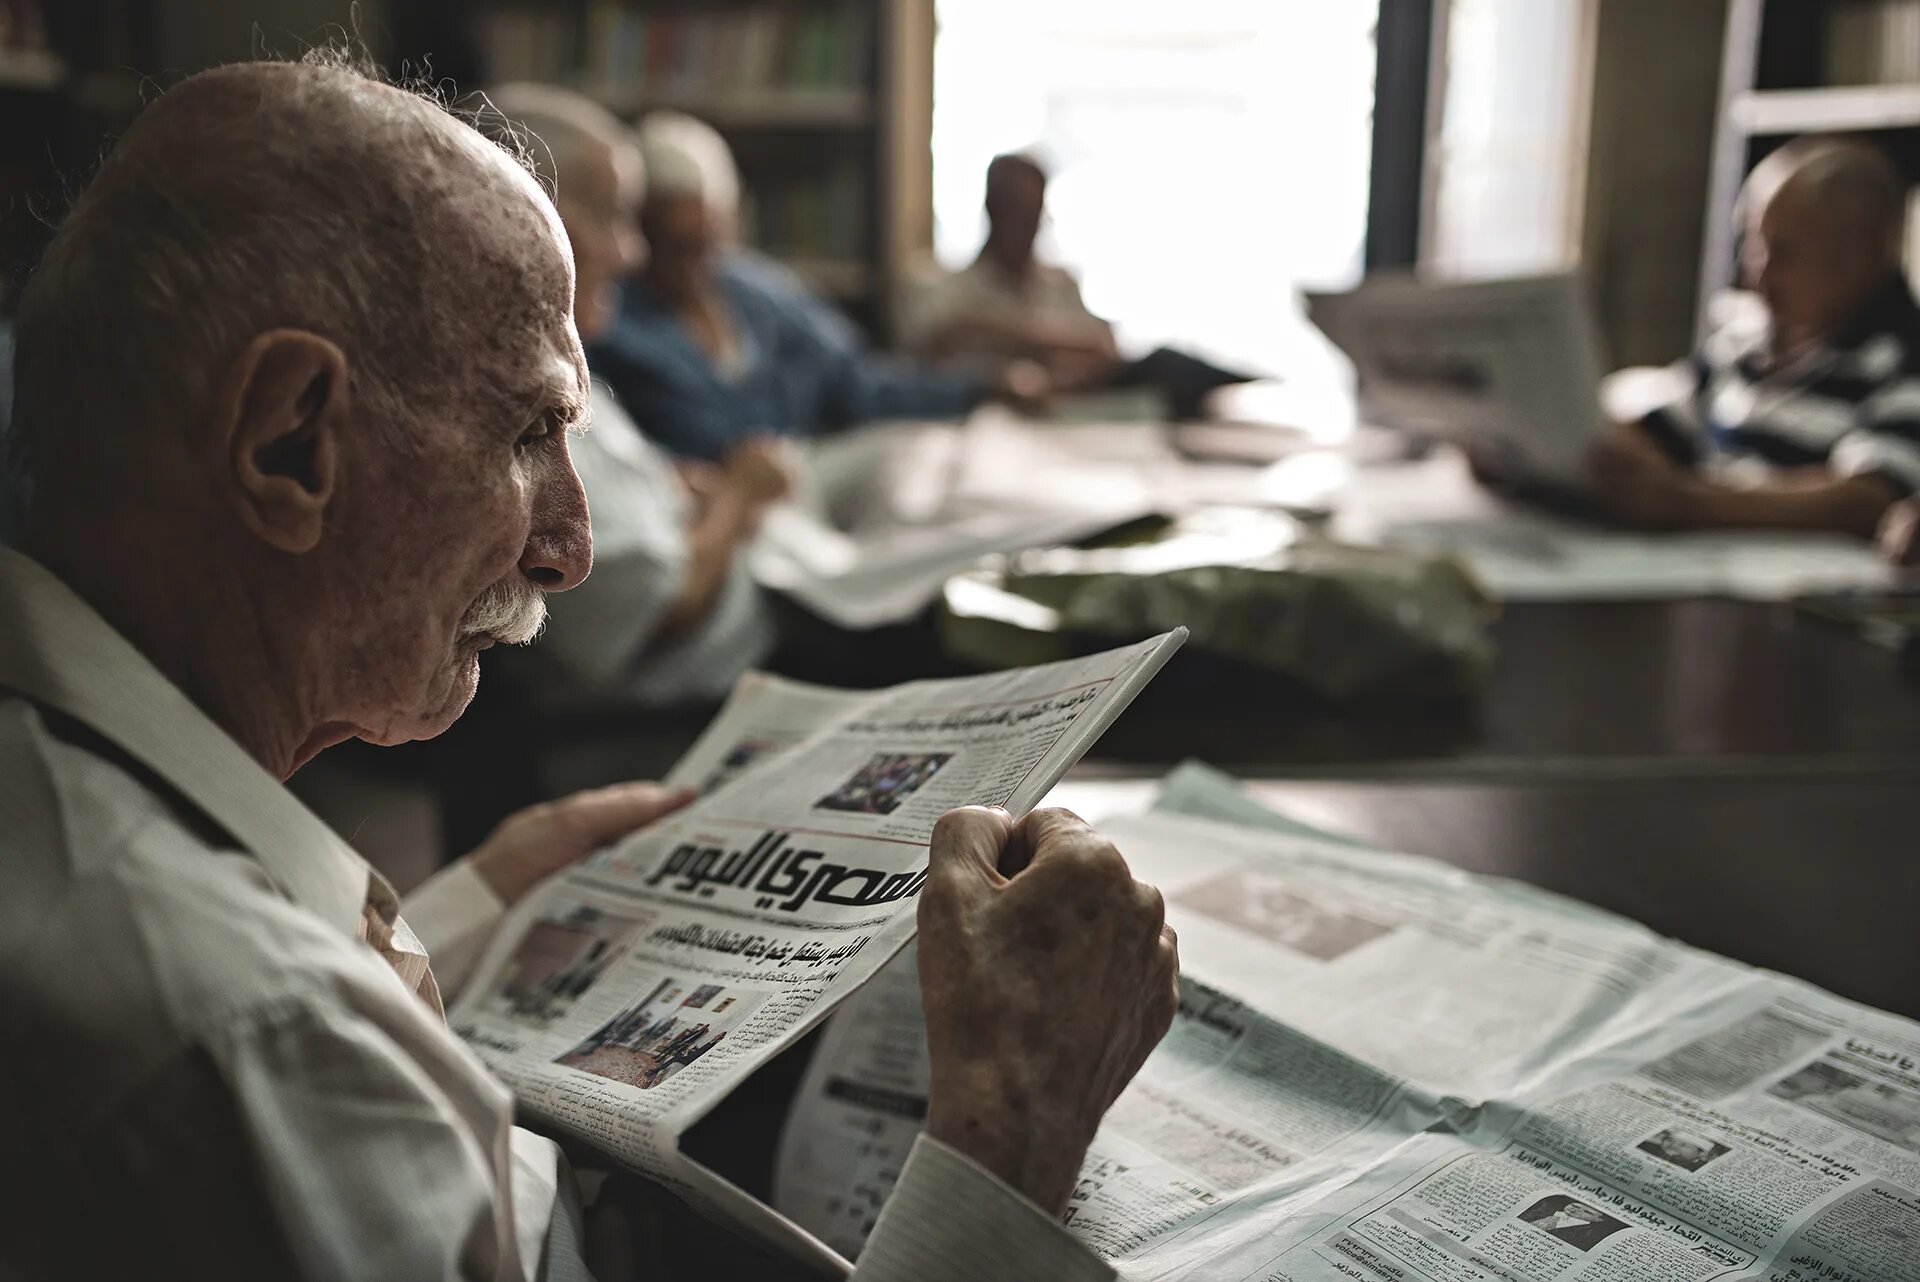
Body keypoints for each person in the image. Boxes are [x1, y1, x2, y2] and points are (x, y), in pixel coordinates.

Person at [0, 54, 1178, 1281]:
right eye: (528, 431)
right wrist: (1006, 1144)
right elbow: (274, 1051)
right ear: (291, 440)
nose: (571, 547)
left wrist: (477, 902)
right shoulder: (245, 1044)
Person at [484, 84, 785, 709]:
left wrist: (679, 485)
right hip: (704, 695)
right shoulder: (526, 408)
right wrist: (736, 494)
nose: (633, 253)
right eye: (613, 215)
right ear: (521, 216)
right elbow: (658, 608)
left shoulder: (566, 366)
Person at [589, 111, 1047, 463]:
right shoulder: (608, 324)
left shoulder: (762, 296)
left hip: (820, 489)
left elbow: (862, 385)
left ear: (727, 224)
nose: (690, 267)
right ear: (638, 230)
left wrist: (982, 388)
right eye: (671, 244)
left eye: (703, 243)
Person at [1589, 136, 1920, 539]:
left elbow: (1867, 498)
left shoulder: (1903, 360)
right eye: (1752, 244)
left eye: (1784, 252)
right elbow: (1658, 429)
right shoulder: (1747, 338)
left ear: (1863, 252)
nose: (1757, 273)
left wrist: (1689, 502)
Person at [899, 150, 1255, 419]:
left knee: (1169, 369)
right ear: (991, 210)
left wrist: (1020, 343)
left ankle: (1262, 389)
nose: (1027, 226)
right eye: (1016, 212)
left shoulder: (1059, 284)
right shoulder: (942, 285)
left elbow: (1103, 349)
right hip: (997, 416)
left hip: (1080, 403)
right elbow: (931, 348)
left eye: (1033, 212)